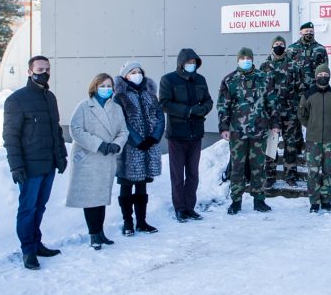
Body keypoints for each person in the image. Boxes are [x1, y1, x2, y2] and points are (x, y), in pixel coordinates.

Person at [2, 55, 68, 270]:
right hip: (29, 166)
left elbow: (56, 130)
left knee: (40, 207)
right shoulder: (17, 100)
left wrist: (61, 156)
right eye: (40, 69)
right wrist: (16, 166)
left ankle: (37, 243)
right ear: (30, 72)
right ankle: (28, 250)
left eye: (47, 69)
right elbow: (10, 136)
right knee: (28, 209)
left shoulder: (50, 98)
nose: (44, 72)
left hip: (48, 164)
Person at [67, 73, 129, 249]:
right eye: (102, 85)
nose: (106, 89)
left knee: (101, 197)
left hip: (106, 159)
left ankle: (100, 232)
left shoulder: (116, 108)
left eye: (109, 86)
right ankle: (93, 234)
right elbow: (76, 130)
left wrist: (116, 145)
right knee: (90, 198)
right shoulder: (84, 106)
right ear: (94, 87)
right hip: (89, 157)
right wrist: (99, 144)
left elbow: (123, 131)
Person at [218, 47, 279, 214]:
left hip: (259, 131)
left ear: (252, 59)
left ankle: (259, 200)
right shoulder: (230, 80)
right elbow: (224, 105)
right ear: (238, 60)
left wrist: (275, 124)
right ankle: (236, 201)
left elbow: (272, 103)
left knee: (258, 166)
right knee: (237, 167)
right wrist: (223, 127)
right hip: (237, 132)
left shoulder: (264, 78)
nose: (246, 60)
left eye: (248, 57)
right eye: (242, 58)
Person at [159, 48, 213, 222]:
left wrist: (202, 109)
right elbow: (165, 104)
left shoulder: (200, 79)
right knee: (177, 174)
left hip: (196, 133)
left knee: (193, 174)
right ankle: (180, 208)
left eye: (194, 62)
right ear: (181, 63)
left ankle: (190, 207)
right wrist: (188, 111)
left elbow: (208, 100)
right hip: (177, 134)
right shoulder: (168, 80)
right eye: (189, 62)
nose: (192, 65)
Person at [113, 61, 165, 235]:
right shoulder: (120, 97)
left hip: (149, 147)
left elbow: (159, 116)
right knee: (127, 185)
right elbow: (122, 122)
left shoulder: (150, 94)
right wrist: (136, 140)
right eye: (132, 72)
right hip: (130, 149)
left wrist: (154, 137)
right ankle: (127, 222)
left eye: (139, 71)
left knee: (142, 186)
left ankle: (142, 221)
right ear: (125, 76)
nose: (137, 75)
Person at [298, 64, 331, 213]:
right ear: (316, 76)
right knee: (312, 172)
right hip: (313, 140)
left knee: (328, 171)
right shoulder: (308, 94)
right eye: (320, 74)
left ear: (329, 75)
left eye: (325, 73)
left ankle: (326, 200)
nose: (323, 76)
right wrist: (311, 125)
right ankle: (314, 202)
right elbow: (302, 114)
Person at [260, 35, 303, 186]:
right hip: (271, 113)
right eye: (276, 44)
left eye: (282, 44)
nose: (279, 46)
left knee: (290, 144)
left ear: (285, 47)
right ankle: (270, 176)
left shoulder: (293, 66)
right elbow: (260, 90)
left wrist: (297, 106)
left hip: (290, 111)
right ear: (272, 46)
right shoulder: (265, 66)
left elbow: (300, 88)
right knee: (271, 145)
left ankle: (290, 175)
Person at [286, 22, 328, 92]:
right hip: (297, 86)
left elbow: (324, 68)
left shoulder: (321, 49)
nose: (309, 33)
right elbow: (287, 67)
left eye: (311, 31)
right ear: (301, 32)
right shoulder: (292, 48)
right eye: (306, 31)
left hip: (315, 86)